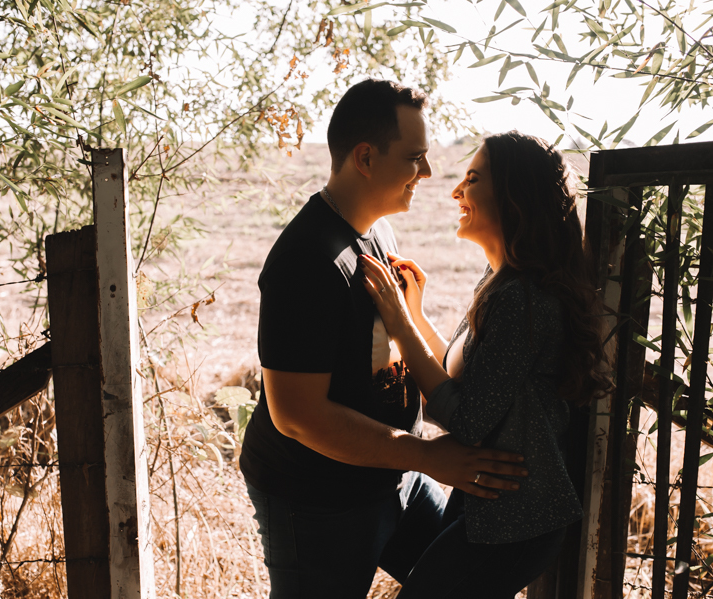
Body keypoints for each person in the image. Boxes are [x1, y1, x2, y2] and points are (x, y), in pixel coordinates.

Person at [239, 79, 530, 599]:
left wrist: (411, 318)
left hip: (396, 474)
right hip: (316, 499)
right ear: (366, 158)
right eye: (414, 157)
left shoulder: (378, 231)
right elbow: (298, 415)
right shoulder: (305, 262)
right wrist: (428, 456)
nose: (428, 172)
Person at [359, 131, 610, 598]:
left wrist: (399, 322)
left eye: (471, 179)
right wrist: (413, 315)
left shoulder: (523, 301)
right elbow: (462, 378)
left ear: (513, 197)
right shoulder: (498, 282)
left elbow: (469, 418)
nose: (456, 191)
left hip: (515, 524)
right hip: (487, 506)